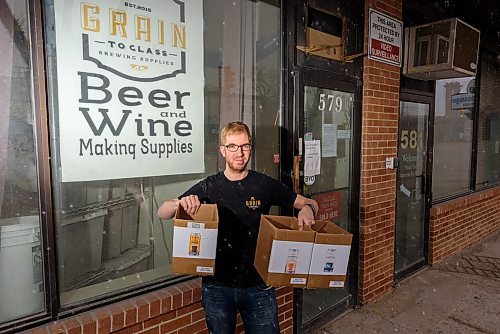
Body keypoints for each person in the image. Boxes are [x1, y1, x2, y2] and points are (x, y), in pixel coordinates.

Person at [157, 121, 318, 334]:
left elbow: (311, 203)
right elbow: (163, 212)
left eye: (245, 146)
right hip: (217, 287)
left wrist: (307, 209)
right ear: (223, 151)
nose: (239, 152)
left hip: (259, 286)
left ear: (250, 149)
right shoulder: (209, 187)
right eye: (232, 146)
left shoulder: (263, 185)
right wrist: (180, 203)